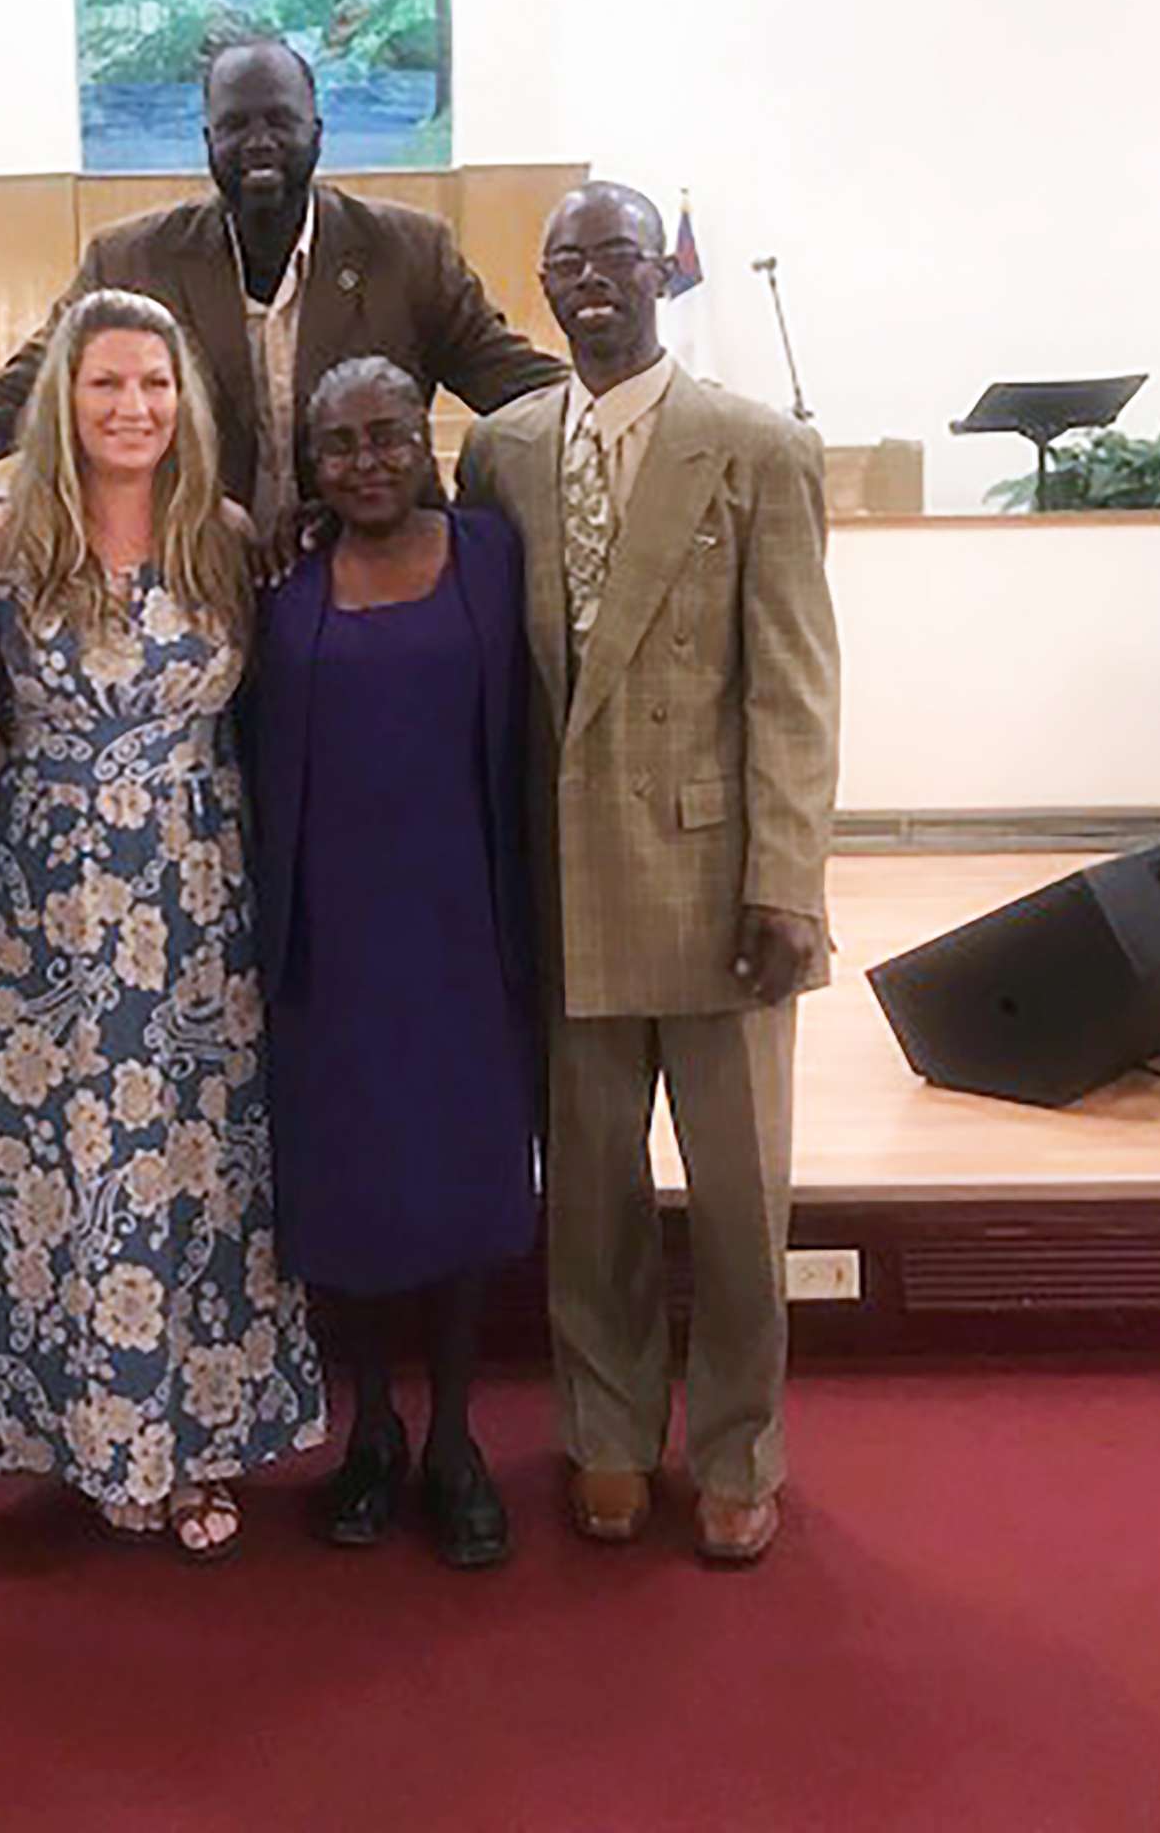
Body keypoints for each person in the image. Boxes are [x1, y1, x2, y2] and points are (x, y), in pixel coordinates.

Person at [456, 182, 839, 1567]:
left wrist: (788, 878)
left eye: (617, 255)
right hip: (567, 884)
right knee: (595, 1195)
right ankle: (608, 1436)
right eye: (568, 262)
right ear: (547, 287)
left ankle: (741, 1448)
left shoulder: (756, 447)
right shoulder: (499, 450)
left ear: (661, 275)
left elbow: (794, 684)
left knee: (741, 1201)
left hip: (720, 883)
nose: (593, 279)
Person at [0, 287, 325, 1557]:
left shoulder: (223, 536)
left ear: (187, 401)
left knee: (191, 1167)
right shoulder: (3, 536)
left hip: (195, 892)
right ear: (64, 396)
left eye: (154, 385)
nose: (132, 408)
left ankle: (191, 1434)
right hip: (52, 901)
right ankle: (83, 1435)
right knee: (65, 1169)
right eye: (106, 384)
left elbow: (264, 709)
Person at [252, 358, 535, 1570]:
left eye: (389, 437)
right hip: (330, 933)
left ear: (429, 443)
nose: (367, 462)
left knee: (465, 1180)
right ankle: (370, 1428)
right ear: (307, 465)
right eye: (339, 445)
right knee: (352, 1189)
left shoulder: (496, 552)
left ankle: (458, 1439)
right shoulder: (281, 581)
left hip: (470, 924)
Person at [0, 38, 565, 532]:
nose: (259, 143)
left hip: (365, 588)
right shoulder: (130, 262)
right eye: (235, 126)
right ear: (208, 141)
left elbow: (516, 388)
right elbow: (27, 394)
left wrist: (636, 409)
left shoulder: (409, 253)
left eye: (280, 121)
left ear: (317, 132)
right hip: (194, 583)